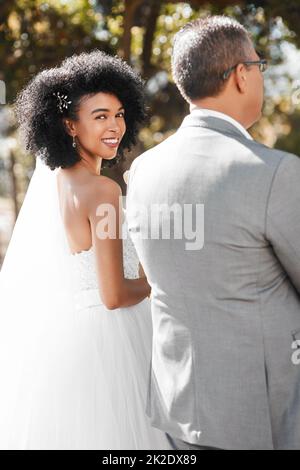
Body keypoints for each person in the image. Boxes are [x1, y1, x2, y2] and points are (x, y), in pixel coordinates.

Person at [126, 15, 300, 450]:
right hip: (264, 410)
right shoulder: (275, 173)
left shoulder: (143, 170)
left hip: (179, 405)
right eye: (259, 66)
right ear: (241, 76)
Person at [0, 50, 171, 450]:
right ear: (69, 125)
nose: (115, 126)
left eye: (119, 114)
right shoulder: (105, 192)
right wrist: (156, 280)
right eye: (100, 116)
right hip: (115, 342)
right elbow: (114, 295)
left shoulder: (59, 183)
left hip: (73, 341)